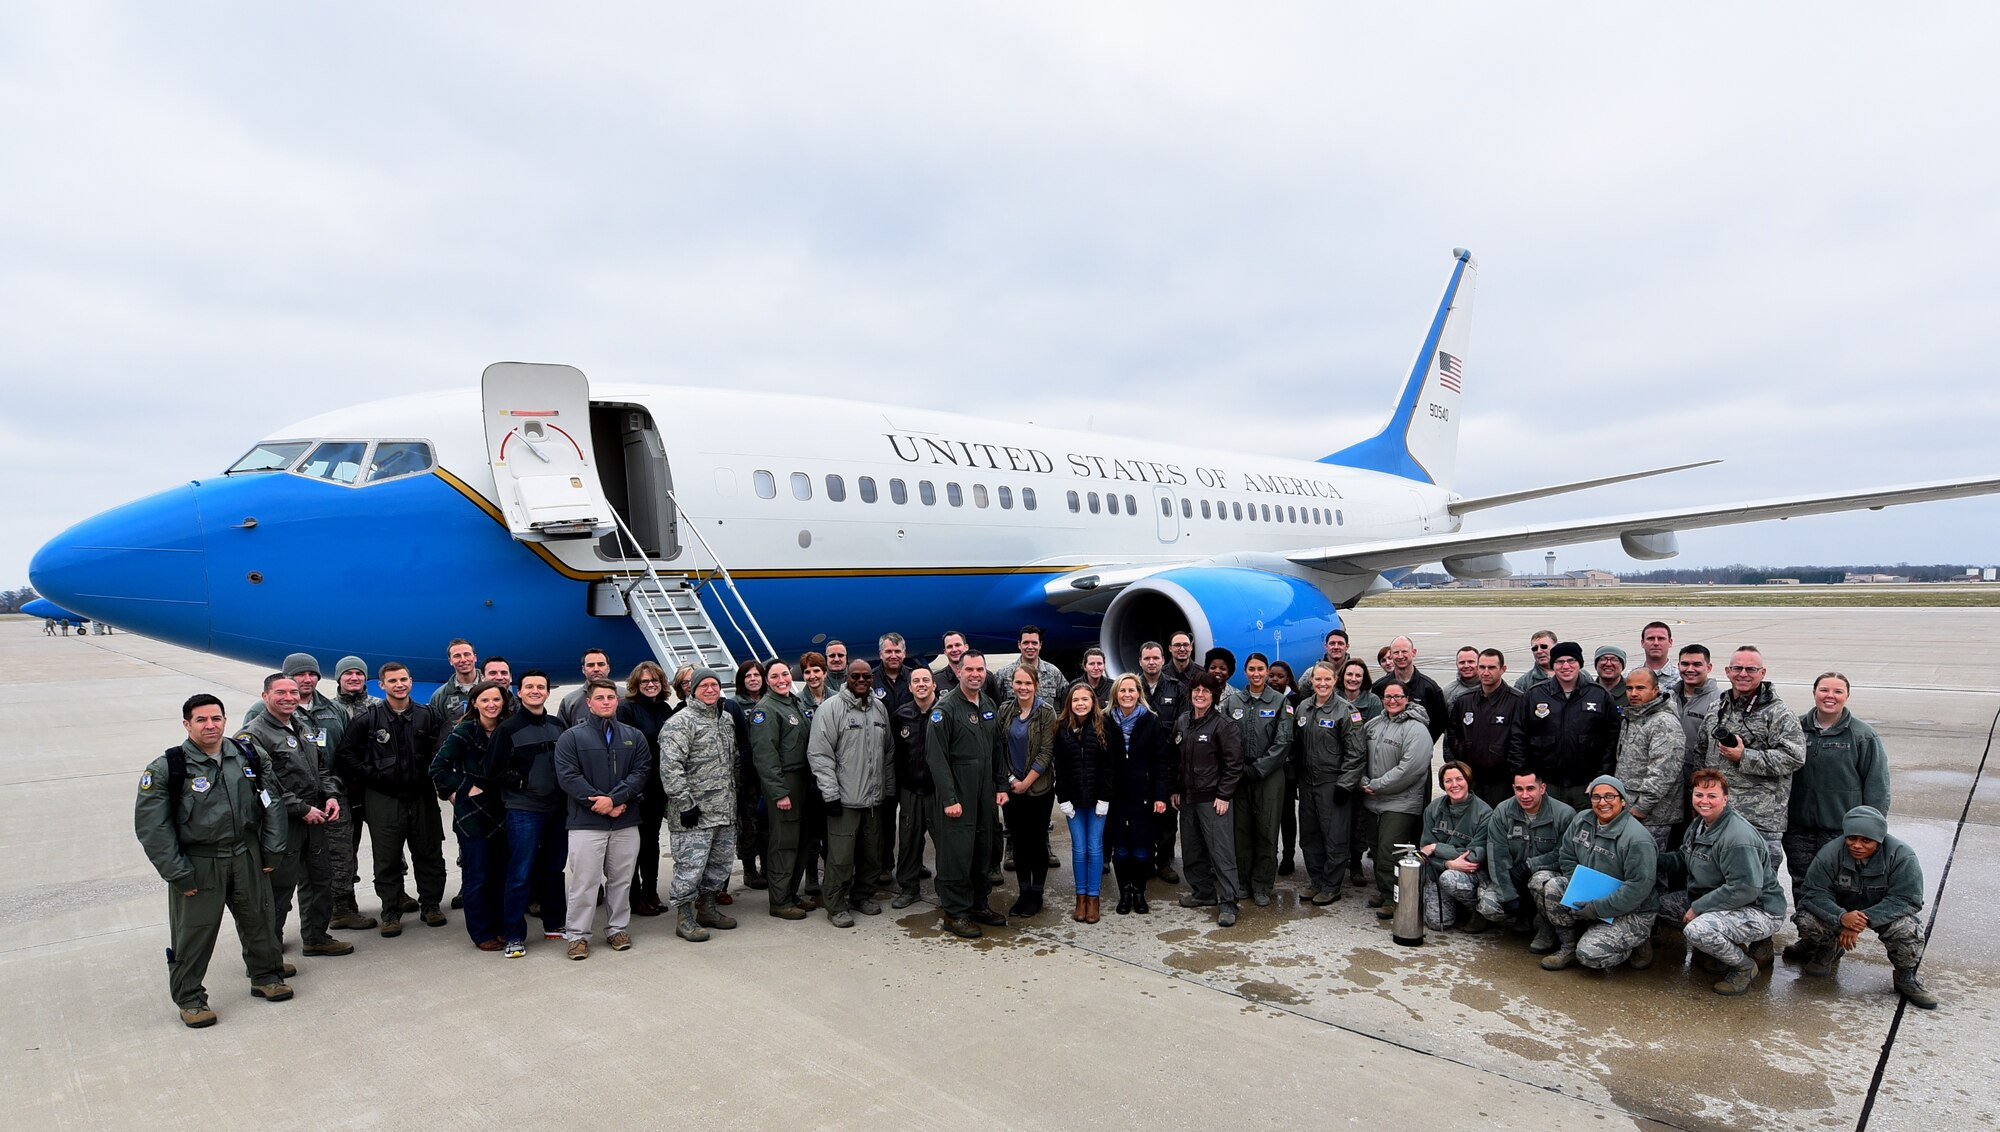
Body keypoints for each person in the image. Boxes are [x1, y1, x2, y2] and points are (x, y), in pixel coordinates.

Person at [135, 693, 291, 1027]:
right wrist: (178, 873)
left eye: (216, 718)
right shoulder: (168, 767)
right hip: (200, 860)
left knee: (260, 920)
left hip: (246, 852)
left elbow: (272, 802)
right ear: (187, 724)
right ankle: (190, 998)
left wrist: (271, 848)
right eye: (202, 720)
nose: (211, 725)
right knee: (194, 932)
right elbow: (153, 829)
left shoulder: (248, 755)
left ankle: (266, 976)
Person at [246, 653, 370, 931]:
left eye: (311, 674)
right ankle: (270, 939)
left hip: (330, 798)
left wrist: (333, 793)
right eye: (298, 675)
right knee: (286, 875)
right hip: (287, 810)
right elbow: (260, 774)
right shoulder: (260, 717)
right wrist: (298, 806)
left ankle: (338, 913)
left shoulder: (327, 710)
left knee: (336, 860)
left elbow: (336, 758)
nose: (306, 680)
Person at [238, 673, 352, 959]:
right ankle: (269, 952)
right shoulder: (253, 735)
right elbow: (260, 785)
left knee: (319, 880)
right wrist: (301, 809)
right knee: (279, 890)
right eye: (280, 692)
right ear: (265, 696)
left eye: (292, 692)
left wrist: (331, 796)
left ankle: (315, 937)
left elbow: (322, 768)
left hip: (316, 818)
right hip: (282, 824)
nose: (289, 697)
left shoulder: (303, 725)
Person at [332, 662, 445, 933]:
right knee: (387, 858)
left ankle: (430, 906)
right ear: (381, 685)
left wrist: (431, 772)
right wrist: (373, 775)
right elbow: (346, 755)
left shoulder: (427, 716)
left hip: (421, 796)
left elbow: (443, 748)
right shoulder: (368, 720)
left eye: (403, 679)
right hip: (383, 798)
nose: (399, 685)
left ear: (411, 682)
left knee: (429, 852)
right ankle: (391, 913)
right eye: (392, 681)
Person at [1783, 672, 1891, 946]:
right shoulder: (1796, 728)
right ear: (1814, 692)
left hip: (1841, 831)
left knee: (1837, 887)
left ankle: (1830, 947)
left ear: (1847, 696)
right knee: (1803, 883)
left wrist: (1869, 833)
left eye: (1837, 691)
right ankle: (1810, 936)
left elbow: (1877, 786)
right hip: (1799, 827)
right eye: (1824, 690)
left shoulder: (1862, 735)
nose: (1830, 696)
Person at [1657, 770, 1786, 994]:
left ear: (1725, 799)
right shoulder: (1699, 824)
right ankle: (1722, 949)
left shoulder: (1737, 837)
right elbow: (1683, 858)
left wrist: (1698, 908)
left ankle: (1745, 966)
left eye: (1712, 796)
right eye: (1699, 795)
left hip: (1758, 909)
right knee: (1658, 906)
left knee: (1697, 931)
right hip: (1722, 900)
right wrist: (1650, 860)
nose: (1704, 801)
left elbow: (1745, 889)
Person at [1794, 805, 1937, 1009]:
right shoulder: (1830, 853)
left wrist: (1862, 920)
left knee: (1907, 931)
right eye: (1851, 838)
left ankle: (1905, 976)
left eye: (1866, 840)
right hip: (1843, 910)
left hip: (1883, 912)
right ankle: (1829, 948)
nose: (1856, 845)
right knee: (1806, 919)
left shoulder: (1902, 856)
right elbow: (1813, 892)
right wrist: (1841, 917)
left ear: (1879, 840)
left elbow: (1907, 899)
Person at [552, 679, 651, 958]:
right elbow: (568, 777)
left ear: (617, 701)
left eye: (611, 697)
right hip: (586, 823)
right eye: (600, 697)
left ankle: (617, 929)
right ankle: (578, 936)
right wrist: (603, 804)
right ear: (589, 702)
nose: (606, 701)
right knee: (584, 882)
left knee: (621, 880)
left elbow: (641, 773)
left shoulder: (634, 736)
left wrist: (616, 800)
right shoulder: (571, 737)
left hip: (625, 821)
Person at [1698, 646, 1807, 877]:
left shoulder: (1779, 713)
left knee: (1758, 884)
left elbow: (1795, 756)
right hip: (1717, 814)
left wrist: (1745, 757)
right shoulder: (1717, 708)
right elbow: (1701, 752)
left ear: (1763, 672)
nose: (1743, 674)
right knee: (1715, 879)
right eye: (1737, 668)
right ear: (1727, 671)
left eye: (1751, 669)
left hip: (1759, 819)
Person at [1532, 774, 1659, 972]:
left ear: (1622, 801)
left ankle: (1636, 941)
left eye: (1610, 796)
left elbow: (1637, 888)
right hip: (1592, 894)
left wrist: (1598, 908)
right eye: (1596, 797)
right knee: (1547, 883)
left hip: (1633, 908)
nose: (1602, 802)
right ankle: (1568, 947)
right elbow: (1566, 855)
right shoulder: (1581, 820)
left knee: (1590, 955)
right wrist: (1581, 889)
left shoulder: (1637, 839)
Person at [923, 651, 1010, 938]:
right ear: (958, 672)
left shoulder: (987, 704)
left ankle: (978, 904)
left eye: (980, 669)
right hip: (958, 796)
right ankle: (955, 912)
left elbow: (998, 749)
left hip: (985, 794)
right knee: (957, 854)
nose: (975, 674)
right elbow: (936, 759)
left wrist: (1001, 786)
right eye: (969, 669)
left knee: (983, 849)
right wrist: (949, 799)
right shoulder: (944, 709)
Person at [808, 661, 896, 927]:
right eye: (855, 676)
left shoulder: (879, 708)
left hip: (873, 799)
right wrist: (831, 794)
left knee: (872, 854)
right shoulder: (831, 709)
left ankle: (862, 896)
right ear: (846, 678)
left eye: (866, 676)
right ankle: (835, 905)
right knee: (841, 858)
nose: (861, 680)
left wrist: (888, 788)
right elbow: (820, 755)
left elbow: (888, 751)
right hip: (844, 801)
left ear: (872, 679)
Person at [658, 668, 740, 943]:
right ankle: (684, 918)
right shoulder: (680, 722)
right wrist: (685, 804)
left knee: (719, 865)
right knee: (690, 867)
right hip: (694, 813)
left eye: (714, 685)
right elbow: (671, 768)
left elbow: (733, 761)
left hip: (724, 810)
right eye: (703, 685)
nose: (709, 689)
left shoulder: (725, 719)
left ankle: (707, 909)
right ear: (691, 690)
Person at [429, 680, 511, 950]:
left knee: (500, 875)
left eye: (496, 700)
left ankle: (500, 926)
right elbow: (437, 768)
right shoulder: (465, 731)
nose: (491, 705)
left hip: (502, 811)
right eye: (485, 700)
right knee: (477, 876)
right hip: (473, 815)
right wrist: (466, 787)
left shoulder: (506, 729)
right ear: (474, 703)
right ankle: (481, 932)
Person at [494, 670, 568, 956]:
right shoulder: (508, 729)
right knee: (520, 873)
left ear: (548, 692)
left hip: (557, 810)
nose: (536, 690)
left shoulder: (557, 725)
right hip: (524, 810)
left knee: (553, 869)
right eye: (529, 687)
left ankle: (554, 924)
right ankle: (513, 934)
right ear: (519, 692)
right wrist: (523, 783)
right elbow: (494, 769)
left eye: (541, 686)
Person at [1509, 641, 1619, 814]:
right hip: (1547, 784)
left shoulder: (1599, 695)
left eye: (1571, 661)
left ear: (1579, 664)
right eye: (1560, 662)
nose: (1566, 666)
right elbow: (1518, 737)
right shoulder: (1534, 695)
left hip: (1586, 785)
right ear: (1553, 665)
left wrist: (1601, 777)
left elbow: (1611, 741)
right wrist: (1524, 775)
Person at [1170, 672, 1244, 926]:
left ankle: (1229, 902)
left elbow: (1234, 764)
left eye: (1206, 691)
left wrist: (1224, 794)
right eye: (1196, 690)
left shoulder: (1223, 725)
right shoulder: (1182, 721)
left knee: (1221, 852)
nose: (1200, 695)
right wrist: (1175, 789)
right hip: (1187, 798)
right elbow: (1176, 761)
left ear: (1214, 696)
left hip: (1213, 799)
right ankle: (1203, 893)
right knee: (1191, 849)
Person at [749, 658, 820, 920]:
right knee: (784, 843)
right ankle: (779, 901)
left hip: (802, 780)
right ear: (767, 680)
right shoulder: (766, 710)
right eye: (775, 676)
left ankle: (790, 894)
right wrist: (779, 792)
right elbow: (765, 756)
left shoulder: (793, 702)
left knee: (801, 840)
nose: (782, 680)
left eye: (785, 675)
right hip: (784, 782)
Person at [1292, 662, 1368, 905]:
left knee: (1334, 838)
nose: (1322, 684)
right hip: (1307, 784)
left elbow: (1356, 753)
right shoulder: (1304, 707)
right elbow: (1296, 746)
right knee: (1309, 836)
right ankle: (1316, 881)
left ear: (1335, 680)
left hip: (1332, 784)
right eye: (1318, 680)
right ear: (1311, 681)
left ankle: (1332, 885)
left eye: (1327, 680)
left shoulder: (1347, 712)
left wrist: (1345, 785)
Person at [1223, 653, 1293, 906]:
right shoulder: (1233, 703)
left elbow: (1283, 741)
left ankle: (1263, 885)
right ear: (1245, 671)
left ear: (1266, 672)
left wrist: (1259, 769)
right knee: (1240, 831)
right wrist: (1238, 768)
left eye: (1260, 669)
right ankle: (1242, 881)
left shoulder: (1279, 702)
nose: (1256, 673)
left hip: (1269, 776)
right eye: (1251, 669)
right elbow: (1226, 739)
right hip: (1240, 776)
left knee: (1266, 831)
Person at [1481, 770, 1577, 947]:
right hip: (1513, 880)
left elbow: (1564, 854)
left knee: (1539, 880)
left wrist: (1530, 865)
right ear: (1513, 789)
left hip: (1546, 879)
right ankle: (1520, 916)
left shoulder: (1565, 815)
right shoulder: (1502, 812)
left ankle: (1548, 927)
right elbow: (1497, 856)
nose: (1524, 795)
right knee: (1489, 906)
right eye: (1519, 789)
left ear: (1542, 788)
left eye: (1530, 788)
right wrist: (1508, 895)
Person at [1362, 682, 1433, 921]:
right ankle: (1385, 891)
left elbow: (1411, 769)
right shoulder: (1374, 724)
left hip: (1400, 803)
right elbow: (1358, 754)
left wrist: (1378, 785)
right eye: (1387, 697)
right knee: (1377, 847)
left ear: (1407, 698)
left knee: (1390, 851)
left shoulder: (1417, 729)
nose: (1392, 701)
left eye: (1397, 696)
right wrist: (1362, 780)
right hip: (1372, 801)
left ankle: (1397, 898)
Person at [1104, 674, 1170, 915]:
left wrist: (1160, 796)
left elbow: (1161, 761)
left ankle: (1139, 892)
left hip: (1145, 795)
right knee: (1121, 850)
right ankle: (1125, 893)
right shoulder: (1105, 720)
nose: (1127, 695)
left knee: (1142, 850)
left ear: (1139, 693)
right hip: (1116, 797)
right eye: (1122, 691)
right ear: (1115, 695)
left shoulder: (1151, 721)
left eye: (1132, 690)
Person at [996, 664, 1058, 916]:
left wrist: (1026, 782)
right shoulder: (1005, 710)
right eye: (1018, 683)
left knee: (1036, 842)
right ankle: (1022, 893)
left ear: (1036, 685)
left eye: (1027, 684)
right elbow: (999, 747)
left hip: (1039, 790)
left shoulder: (1046, 712)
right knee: (1019, 843)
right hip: (1012, 789)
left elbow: (1046, 752)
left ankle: (1037, 893)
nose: (1023, 688)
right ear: (1012, 685)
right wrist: (1011, 779)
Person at [616, 662, 676, 917]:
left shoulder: (664, 708)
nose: (650, 685)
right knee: (633, 845)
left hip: (657, 785)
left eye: (655, 681)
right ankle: (634, 896)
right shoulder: (626, 709)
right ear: (635, 685)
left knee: (651, 842)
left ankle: (650, 891)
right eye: (644, 682)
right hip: (635, 787)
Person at [1052, 681, 1113, 923]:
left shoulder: (1103, 726)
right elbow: (1060, 767)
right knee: (1079, 849)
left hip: (1097, 801)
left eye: (1085, 700)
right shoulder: (1062, 728)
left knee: (1094, 847)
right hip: (1074, 802)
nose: (1080, 704)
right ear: (1070, 703)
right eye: (1076, 700)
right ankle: (1080, 897)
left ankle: (1093, 898)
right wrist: (1062, 798)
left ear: (1093, 702)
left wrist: (1105, 798)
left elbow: (1108, 766)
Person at [1615, 668, 1686, 849]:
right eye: (1629, 688)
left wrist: (1642, 807)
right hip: (1629, 809)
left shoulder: (1663, 722)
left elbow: (1664, 772)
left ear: (1656, 690)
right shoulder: (1632, 717)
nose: (1634, 693)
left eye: (1640, 688)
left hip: (1653, 816)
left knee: (1651, 867)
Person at [1420, 761, 1493, 932]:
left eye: (1459, 779)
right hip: (1438, 871)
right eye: (1448, 781)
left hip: (1472, 875)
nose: (1454, 785)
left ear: (1468, 780)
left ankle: (1476, 910)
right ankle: (1453, 906)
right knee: (1438, 923)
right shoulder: (1433, 809)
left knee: (1450, 878)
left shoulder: (1484, 813)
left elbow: (1474, 857)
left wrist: (1437, 848)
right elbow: (1424, 852)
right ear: (1443, 785)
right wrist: (1447, 864)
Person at [889, 666, 940, 908]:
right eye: (916, 681)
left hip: (939, 791)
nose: (921, 684)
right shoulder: (901, 715)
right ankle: (909, 888)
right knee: (908, 840)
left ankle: (947, 888)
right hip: (910, 789)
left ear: (934, 685)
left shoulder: (944, 712)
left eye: (926, 680)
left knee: (944, 841)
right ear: (909, 687)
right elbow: (893, 754)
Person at [1447, 648, 1522, 809]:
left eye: (1492, 667)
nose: (1486, 672)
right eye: (1482, 667)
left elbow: (1521, 740)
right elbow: (1453, 734)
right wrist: (1464, 755)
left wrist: (1511, 769)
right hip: (1472, 779)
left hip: (1502, 782)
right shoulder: (1464, 700)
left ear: (1503, 669)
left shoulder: (1517, 700)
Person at [1340, 658, 1385, 886]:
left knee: (1359, 821)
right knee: (1339, 820)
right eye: (1349, 675)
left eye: (1358, 675)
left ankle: (1356, 864)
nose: (1353, 679)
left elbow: (1375, 735)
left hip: (1363, 769)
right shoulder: (1334, 698)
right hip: (1338, 770)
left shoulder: (1373, 701)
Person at [726, 659, 767, 890]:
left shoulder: (771, 701)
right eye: (748, 676)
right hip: (747, 775)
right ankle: (750, 871)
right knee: (748, 824)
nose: (753, 679)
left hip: (768, 773)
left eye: (757, 675)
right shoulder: (733, 705)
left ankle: (768, 868)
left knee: (767, 824)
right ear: (741, 681)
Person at [1374, 636, 1448, 743]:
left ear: (1413, 652)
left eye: (1404, 651)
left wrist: (1424, 743)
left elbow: (1440, 722)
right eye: (1396, 652)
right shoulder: (1379, 687)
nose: (1400, 656)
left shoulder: (1430, 688)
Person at [1267, 658, 1303, 877]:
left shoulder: (1296, 701)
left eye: (1280, 677)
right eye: (1271, 675)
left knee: (1287, 816)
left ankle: (1288, 855)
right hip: (1267, 766)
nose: (1274, 680)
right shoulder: (1265, 698)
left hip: (1287, 769)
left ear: (1288, 679)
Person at [993, 625, 1066, 712]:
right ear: (1019, 645)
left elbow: (1069, 696)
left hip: (1045, 724)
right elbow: (991, 703)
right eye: (1026, 643)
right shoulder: (1004, 674)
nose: (1030, 647)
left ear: (1040, 645)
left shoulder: (1053, 673)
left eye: (1034, 643)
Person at [426, 638, 481, 738]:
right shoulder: (440, 695)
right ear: (450, 661)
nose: (463, 660)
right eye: (457, 656)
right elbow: (435, 731)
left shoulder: (492, 688)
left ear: (475, 657)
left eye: (467, 654)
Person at [934, 630, 1002, 702]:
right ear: (945, 652)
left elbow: (996, 707)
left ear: (966, 647)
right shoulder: (937, 679)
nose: (954, 649)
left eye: (958, 645)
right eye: (949, 647)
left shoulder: (987, 677)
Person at [556, 648, 613, 727]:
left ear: (608, 668)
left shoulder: (625, 697)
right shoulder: (570, 702)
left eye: (601, 664)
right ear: (583, 669)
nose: (596, 669)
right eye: (590, 665)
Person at [873, 632, 913, 715]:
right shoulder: (870, 679)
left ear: (904, 654)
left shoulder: (914, 677)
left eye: (897, 651)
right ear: (880, 654)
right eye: (888, 652)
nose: (893, 656)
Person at [1639, 622, 1681, 694]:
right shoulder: (1629, 677)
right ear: (1642, 643)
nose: (1656, 643)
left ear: (1670, 642)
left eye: (1661, 638)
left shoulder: (1681, 678)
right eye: (1650, 638)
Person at [332, 656, 379, 720]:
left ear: (365, 678)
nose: (354, 678)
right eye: (348, 673)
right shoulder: (328, 708)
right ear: (339, 678)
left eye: (359, 674)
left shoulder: (380, 706)